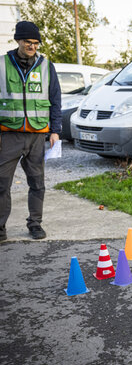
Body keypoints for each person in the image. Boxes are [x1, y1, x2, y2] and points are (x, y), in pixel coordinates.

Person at [0, 21, 62, 242]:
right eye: (28, 42)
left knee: (37, 183)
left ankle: (35, 224)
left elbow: (55, 100)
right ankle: (0, 229)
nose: (33, 47)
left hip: (37, 134)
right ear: (18, 40)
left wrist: (55, 130)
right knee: (1, 183)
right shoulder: (2, 65)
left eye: (36, 43)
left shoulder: (46, 66)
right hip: (8, 134)